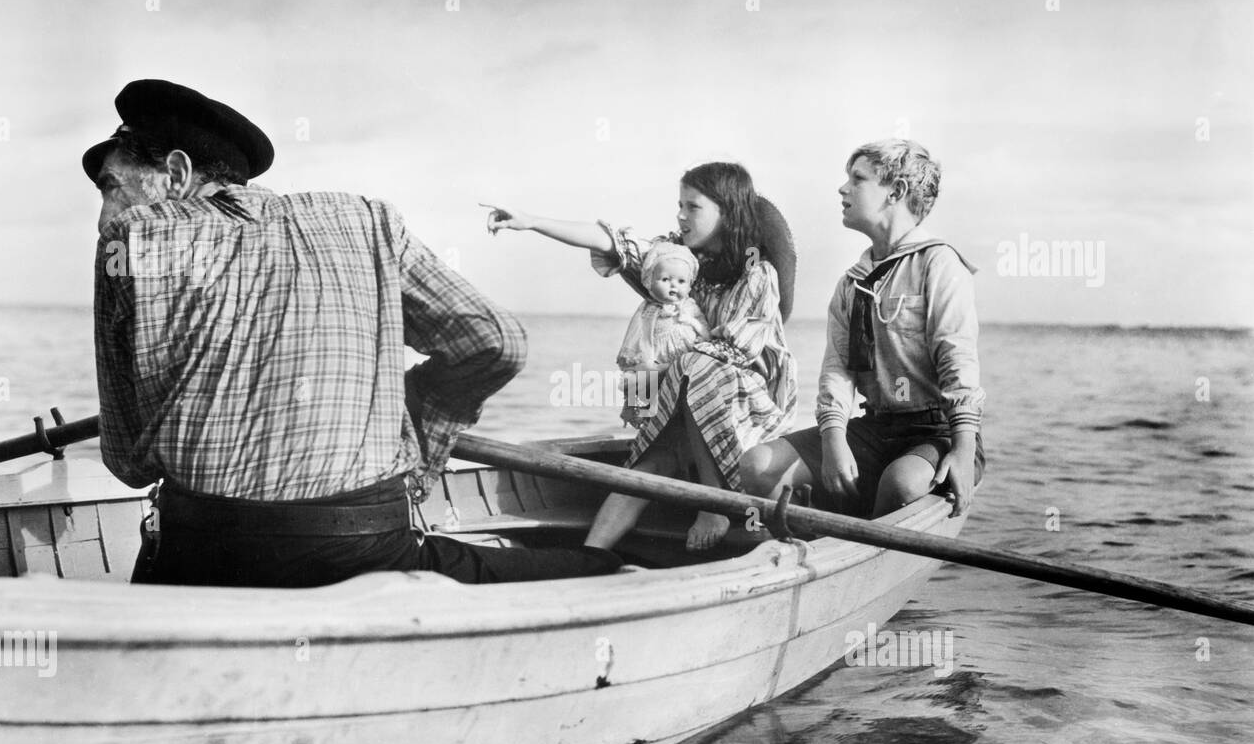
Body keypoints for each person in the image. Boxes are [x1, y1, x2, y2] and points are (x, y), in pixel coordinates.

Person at [86, 78, 622, 587]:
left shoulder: (125, 241)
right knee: (593, 568)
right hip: (366, 553)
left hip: (207, 553)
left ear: (177, 174)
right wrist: (408, 418)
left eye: (111, 186)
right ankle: (607, 568)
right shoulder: (367, 222)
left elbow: (129, 464)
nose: (104, 214)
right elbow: (496, 342)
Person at [484, 162, 798, 551]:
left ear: (728, 212)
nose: (681, 215)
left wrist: (656, 377)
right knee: (645, 471)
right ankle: (587, 560)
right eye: (679, 205)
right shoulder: (679, 260)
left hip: (742, 411)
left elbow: (735, 351)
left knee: (694, 364)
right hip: (682, 399)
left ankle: (714, 504)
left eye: (693, 207)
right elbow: (611, 242)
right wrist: (531, 222)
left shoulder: (757, 274)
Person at [740, 139, 985, 520]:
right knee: (758, 465)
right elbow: (838, 369)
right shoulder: (852, 283)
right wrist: (833, 438)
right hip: (876, 428)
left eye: (857, 178)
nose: (843, 188)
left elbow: (958, 361)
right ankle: (819, 539)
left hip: (935, 432)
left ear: (896, 192)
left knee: (901, 483)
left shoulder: (939, 265)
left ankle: (864, 531)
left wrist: (964, 451)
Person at [614, 241, 711, 427]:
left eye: (681, 281)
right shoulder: (647, 309)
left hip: (681, 359)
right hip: (654, 358)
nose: (673, 286)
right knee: (643, 383)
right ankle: (643, 423)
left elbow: (703, 329)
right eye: (665, 280)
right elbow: (637, 335)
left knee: (679, 398)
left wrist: (694, 326)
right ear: (650, 280)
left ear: (689, 285)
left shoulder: (689, 307)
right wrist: (635, 361)